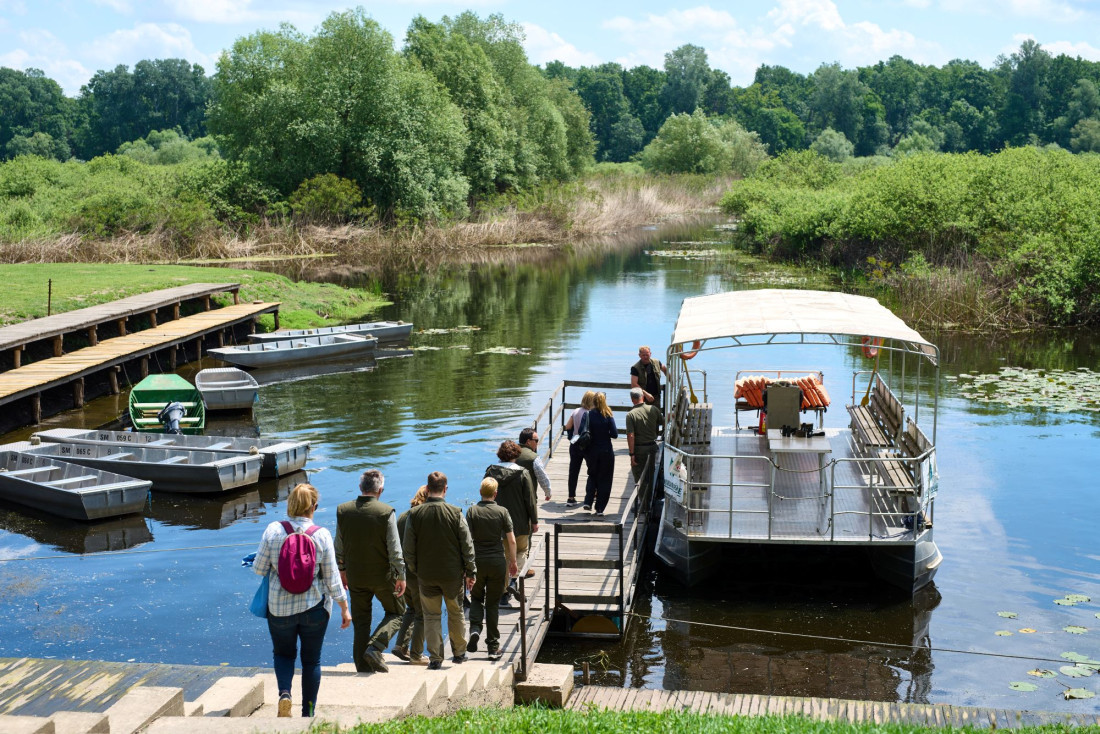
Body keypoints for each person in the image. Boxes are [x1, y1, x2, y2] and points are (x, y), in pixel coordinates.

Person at [253, 483, 350, 718]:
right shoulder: (322, 534)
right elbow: (332, 578)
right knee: (311, 660)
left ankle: (285, 693)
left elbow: (258, 568)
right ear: (314, 507)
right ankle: (308, 714)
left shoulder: (274, 530)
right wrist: (344, 608)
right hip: (314, 609)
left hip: (279, 609)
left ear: (290, 505)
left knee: (283, 654)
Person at [402, 471, 477, 670]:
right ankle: (459, 653)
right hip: (452, 575)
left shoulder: (414, 514)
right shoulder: (455, 512)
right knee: (456, 613)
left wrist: (416, 570)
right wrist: (471, 572)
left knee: (431, 616)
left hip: (426, 575)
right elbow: (467, 545)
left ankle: (435, 658)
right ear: (445, 489)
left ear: (427, 489)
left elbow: (408, 549)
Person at [334, 469, 406, 674]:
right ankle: (375, 648)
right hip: (383, 577)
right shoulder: (386, 512)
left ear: (360, 488)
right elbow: (394, 548)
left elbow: (338, 546)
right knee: (398, 613)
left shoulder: (343, 510)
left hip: (355, 576)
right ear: (380, 490)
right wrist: (401, 575)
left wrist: (342, 570)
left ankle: (362, 668)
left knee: (361, 622)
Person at [465, 477, 519, 660]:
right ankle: (493, 647)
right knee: (493, 603)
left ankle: (474, 629)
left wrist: (466, 566)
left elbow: (467, 540)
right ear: (495, 494)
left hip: (478, 562)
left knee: (476, 598)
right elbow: (511, 540)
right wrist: (513, 562)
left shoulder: (472, 511)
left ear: (481, 492)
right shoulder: (502, 511)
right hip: (497, 561)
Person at [485, 441, 538, 579]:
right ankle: (515, 579)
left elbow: (485, 496)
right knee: (521, 550)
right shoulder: (523, 474)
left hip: (496, 523)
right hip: (519, 523)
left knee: (503, 554)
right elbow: (530, 501)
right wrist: (534, 521)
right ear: (516, 454)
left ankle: (503, 590)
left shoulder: (490, 472)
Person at [392, 486, 429, 665]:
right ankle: (416, 654)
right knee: (422, 613)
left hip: (402, 573)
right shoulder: (422, 518)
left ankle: (400, 645)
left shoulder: (401, 517)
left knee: (411, 609)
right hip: (418, 572)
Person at [583, 391, 619, 516]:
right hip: (606, 451)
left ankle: (588, 501)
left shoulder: (588, 414)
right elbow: (614, 434)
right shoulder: (608, 414)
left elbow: (583, 431)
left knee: (592, 475)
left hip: (592, 451)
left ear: (593, 401)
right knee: (605, 479)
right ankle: (600, 508)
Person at [626, 386, 662, 494]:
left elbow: (631, 436)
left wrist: (632, 454)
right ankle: (648, 503)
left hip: (639, 450)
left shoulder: (631, 415)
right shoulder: (653, 409)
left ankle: (642, 505)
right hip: (652, 448)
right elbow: (662, 421)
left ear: (632, 399)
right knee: (650, 476)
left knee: (639, 478)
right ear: (643, 397)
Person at [564, 391, 596, 505]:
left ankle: (571, 498)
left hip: (575, 444)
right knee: (592, 470)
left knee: (573, 471)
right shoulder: (591, 413)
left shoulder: (575, 411)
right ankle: (593, 494)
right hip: (587, 445)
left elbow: (567, 426)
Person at [517, 427, 553, 502]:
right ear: (528, 441)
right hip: (528, 497)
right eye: (536, 441)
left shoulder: (509, 453)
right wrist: (548, 492)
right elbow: (542, 477)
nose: (538, 443)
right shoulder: (534, 457)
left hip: (510, 496)